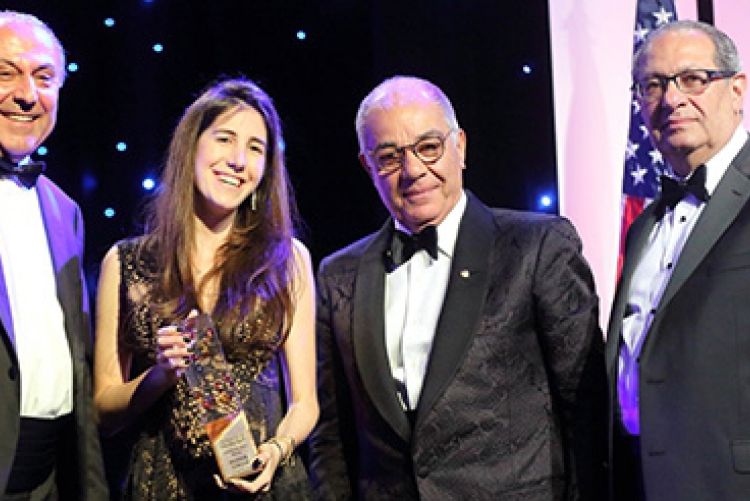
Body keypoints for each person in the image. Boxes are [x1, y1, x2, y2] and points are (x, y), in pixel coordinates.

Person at [307, 75, 607, 500]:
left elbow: (586, 407)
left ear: (459, 147)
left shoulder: (536, 245)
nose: (413, 171)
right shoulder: (339, 275)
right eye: (390, 157)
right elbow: (330, 433)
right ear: (367, 166)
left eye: (428, 147)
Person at [93, 77, 318, 499]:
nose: (238, 159)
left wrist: (277, 449)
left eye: (255, 148)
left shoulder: (289, 259)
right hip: (162, 484)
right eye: (224, 139)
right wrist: (159, 374)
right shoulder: (125, 263)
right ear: (191, 147)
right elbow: (104, 410)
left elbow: (305, 402)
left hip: (265, 485)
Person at [606, 19, 750, 500]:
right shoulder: (644, 225)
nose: (670, 100)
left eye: (692, 79)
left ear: (736, 90)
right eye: (653, 85)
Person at [0, 10, 109, 501]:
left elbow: (78, 365)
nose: (27, 93)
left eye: (44, 77)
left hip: (51, 478)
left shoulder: (65, 210)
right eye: (5, 72)